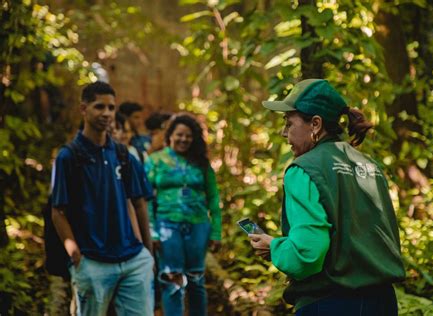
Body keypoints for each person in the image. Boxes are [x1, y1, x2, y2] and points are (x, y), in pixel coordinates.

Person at [249, 79, 405, 315]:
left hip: (330, 302)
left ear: (315, 124)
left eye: (289, 123)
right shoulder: (369, 165)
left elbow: (306, 255)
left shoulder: (303, 169)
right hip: (383, 302)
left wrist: (274, 247)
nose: (283, 133)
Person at [51, 81, 154, 316]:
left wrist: (147, 253)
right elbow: (58, 212)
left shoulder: (122, 154)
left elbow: (138, 203)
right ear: (83, 109)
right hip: (93, 262)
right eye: (99, 107)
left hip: (132, 259)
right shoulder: (68, 156)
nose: (106, 113)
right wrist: (77, 257)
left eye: (111, 107)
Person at [146, 114, 222, 316]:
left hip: (199, 227)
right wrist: (152, 232)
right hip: (167, 226)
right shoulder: (155, 161)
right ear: (170, 135)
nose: (184, 139)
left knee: (196, 278)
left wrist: (216, 232)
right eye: (179, 134)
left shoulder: (202, 163)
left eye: (188, 136)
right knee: (172, 278)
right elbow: (146, 200)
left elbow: (213, 199)